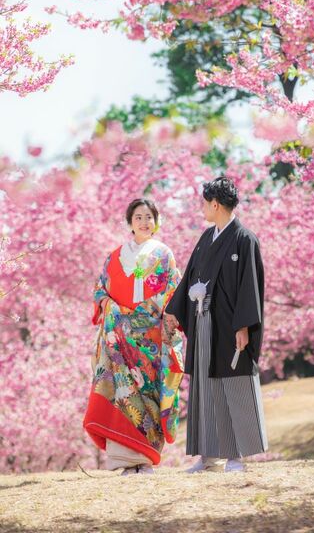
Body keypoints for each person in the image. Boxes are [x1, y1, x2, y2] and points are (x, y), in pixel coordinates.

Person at [166, 176, 268, 473]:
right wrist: (175, 309)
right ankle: (208, 455)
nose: (201, 208)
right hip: (203, 320)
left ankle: (237, 456)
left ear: (215, 204)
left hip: (230, 324)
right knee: (205, 387)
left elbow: (250, 285)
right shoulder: (206, 238)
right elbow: (190, 276)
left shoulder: (244, 239)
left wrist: (244, 325)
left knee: (235, 383)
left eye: (204, 203)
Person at [83, 198, 184, 475]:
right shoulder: (115, 256)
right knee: (122, 390)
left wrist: (142, 315)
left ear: (157, 221)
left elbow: (172, 290)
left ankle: (146, 457)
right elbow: (100, 290)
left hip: (149, 338)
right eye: (138, 217)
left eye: (149, 217)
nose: (144, 222)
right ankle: (125, 460)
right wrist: (113, 309)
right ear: (129, 223)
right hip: (119, 337)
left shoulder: (164, 255)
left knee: (149, 393)